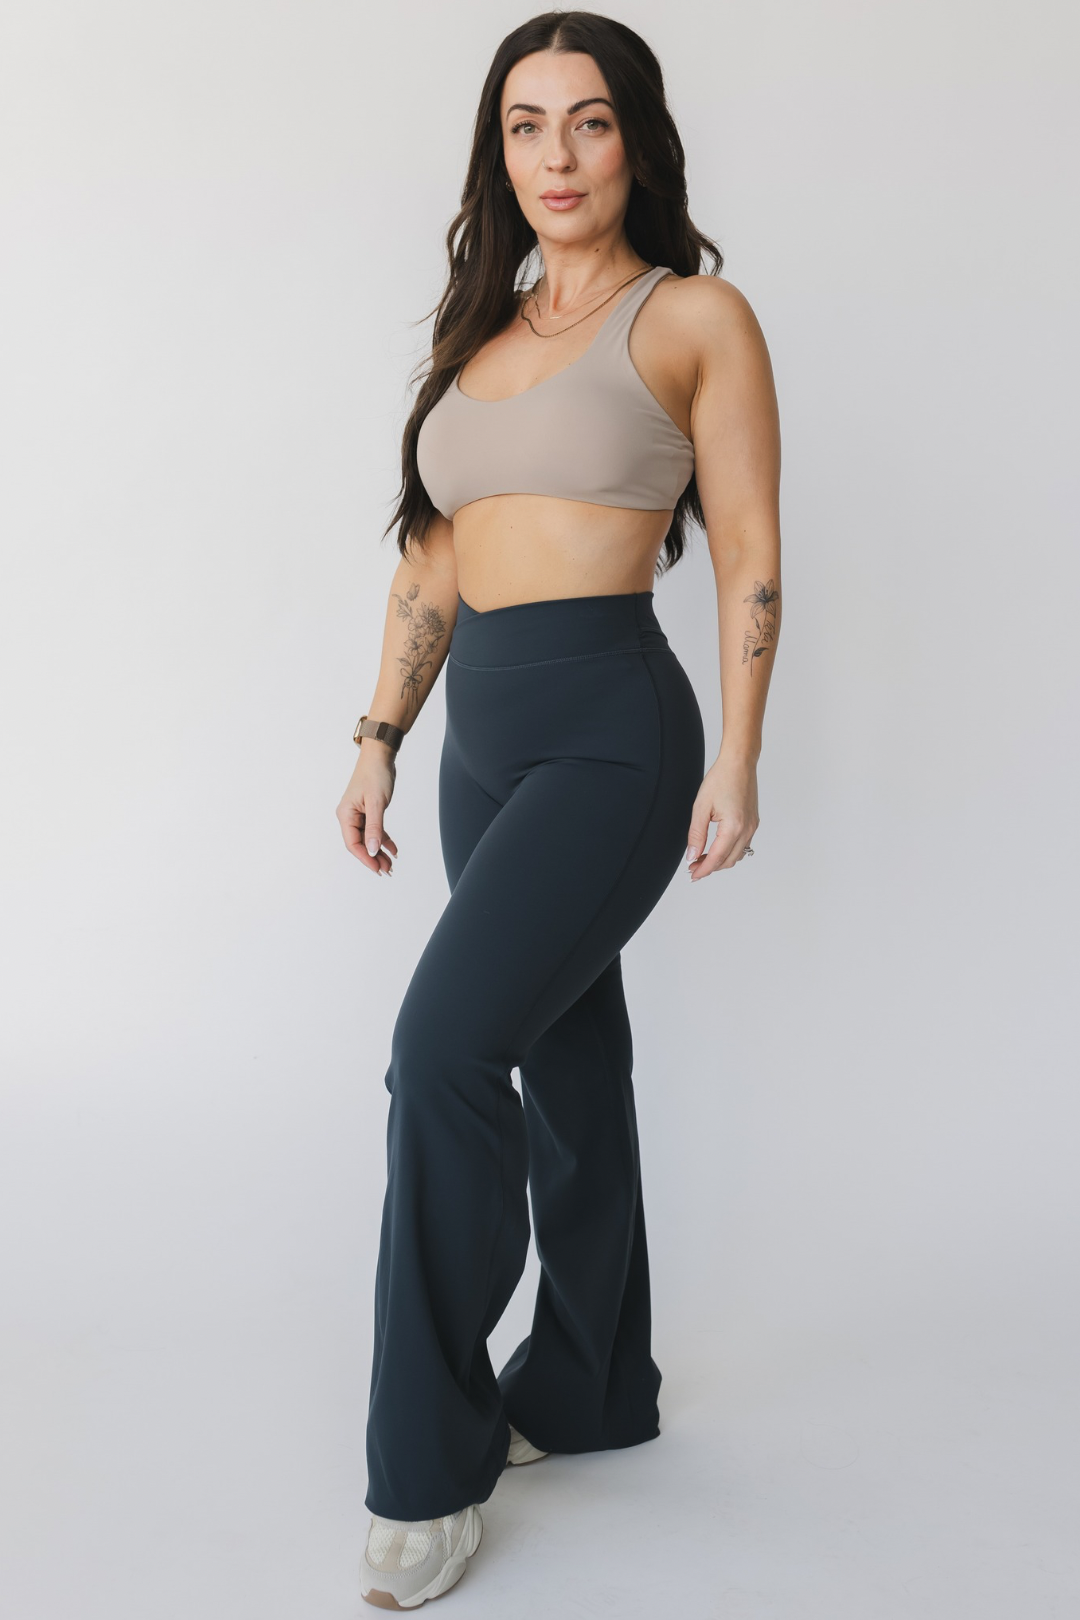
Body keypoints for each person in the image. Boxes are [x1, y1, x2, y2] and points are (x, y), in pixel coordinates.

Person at [336, 10, 781, 1608]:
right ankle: (592, 1385)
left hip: (610, 733)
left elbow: (749, 548)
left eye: (587, 121)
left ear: (636, 139)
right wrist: (380, 734)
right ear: (498, 154)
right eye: (525, 126)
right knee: (566, 1057)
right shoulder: (475, 337)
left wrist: (738, 757)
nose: (557, 156)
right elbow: (434, 555)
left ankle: (427, 1464)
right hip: (480, 745)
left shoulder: (693, 316)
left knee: (443, 1050)